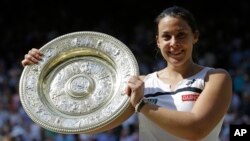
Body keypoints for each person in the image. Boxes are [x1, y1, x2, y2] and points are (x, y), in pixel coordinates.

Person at [21, 6, 232, 141]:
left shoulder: (215, 78)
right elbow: (89, 124)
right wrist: (40, 67)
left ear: (195, 37)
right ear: (158, 42)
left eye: (181, 35)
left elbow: (196, 131)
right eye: (166, 37)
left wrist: (141, 105)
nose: (174, 43)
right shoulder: (141, 84)